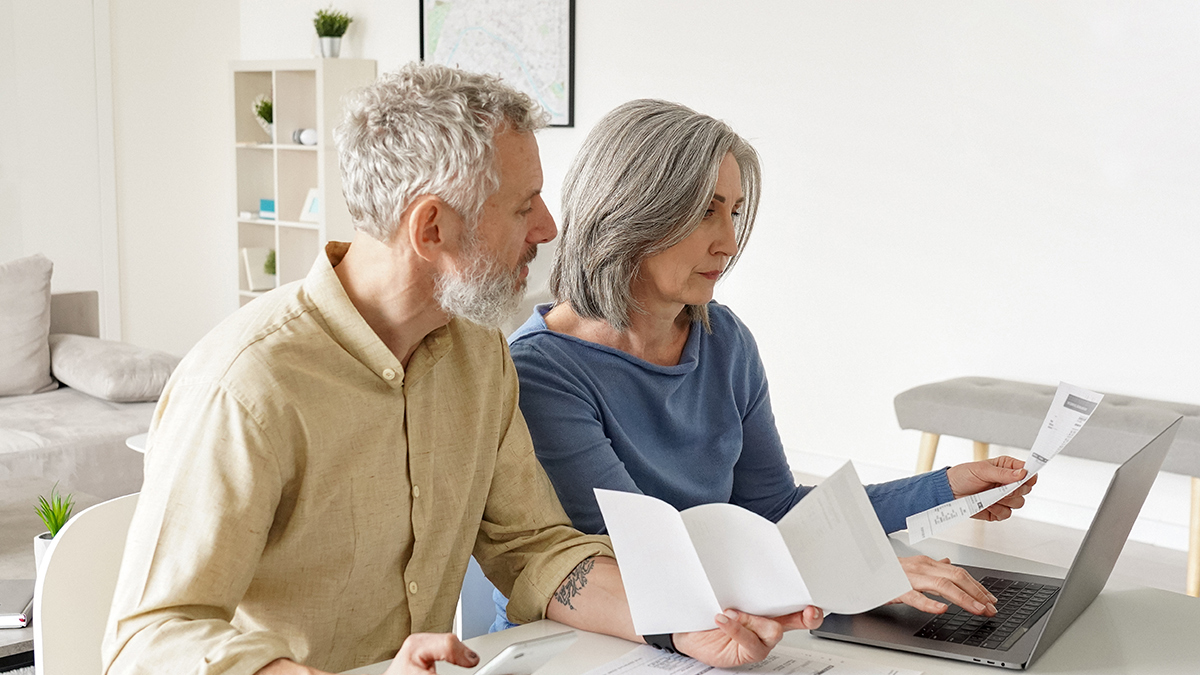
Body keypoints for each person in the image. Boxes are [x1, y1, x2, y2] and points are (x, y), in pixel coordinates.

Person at [101, 69, 821, 675]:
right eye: (522, 205)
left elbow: (536, 550)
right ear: (432, 228)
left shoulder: (480, 357)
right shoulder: (247, 385)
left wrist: (679, 621)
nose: (548, 228)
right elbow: (148, 637)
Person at [493, 99, 1037, 631]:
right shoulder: (542, 371)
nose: (728, 243)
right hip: (580, 639)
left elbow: (774, 508)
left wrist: (946, 488)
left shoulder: (722, 338)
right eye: (705, 210)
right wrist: (851, 575)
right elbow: (652, 557)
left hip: (710, 624)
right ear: (630, 210)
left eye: (733, 211)